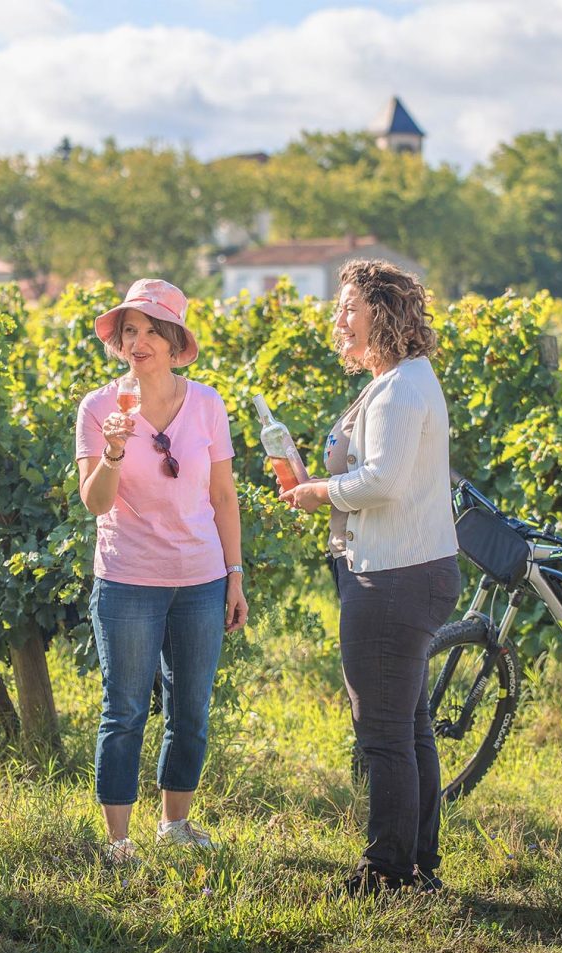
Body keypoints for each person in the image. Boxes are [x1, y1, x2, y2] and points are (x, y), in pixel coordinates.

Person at [279, 259, 460, 895]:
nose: (340, 319)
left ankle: (387, 874)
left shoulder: (402, 387)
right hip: (405, 569)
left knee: (383, 735)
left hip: (392, 577)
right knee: (409, 728)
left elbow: (382, 481)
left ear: (381, 314)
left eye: (349, 307)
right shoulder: (399, 381)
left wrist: (318, 492)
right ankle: (418, 864)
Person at [74, 278, 248, 866]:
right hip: (127, 579)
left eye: (152, 330)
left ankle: (175, 824)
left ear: (175, 343)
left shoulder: (207, 403)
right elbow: (95, 502)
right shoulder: (100, 408)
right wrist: (116, 451)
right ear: (119, 342)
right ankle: (118, 841)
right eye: (130, 331)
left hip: (200, 578)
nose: (139, 340)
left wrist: (235, 574)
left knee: (190, 709)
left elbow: (224, 496)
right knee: (123, 710)